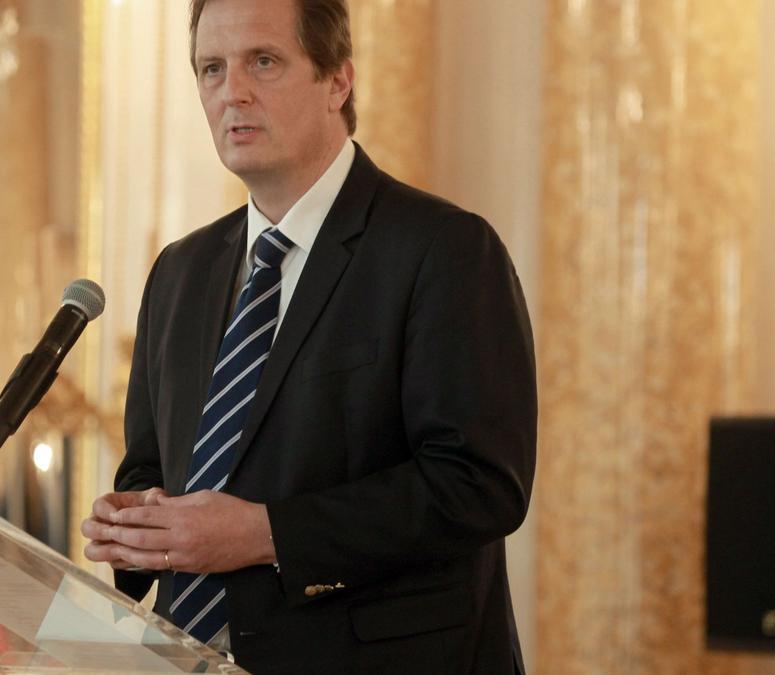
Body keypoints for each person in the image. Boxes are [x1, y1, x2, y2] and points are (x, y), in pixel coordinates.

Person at [81, 0, 536, 672]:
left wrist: (265, 534)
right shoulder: (180, 272)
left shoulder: (443, 249)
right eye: (211, 68)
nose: (232, 91)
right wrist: (139, 520)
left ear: (338, 81)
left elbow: (479, 484)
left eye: (263, 61)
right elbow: (152, 466)